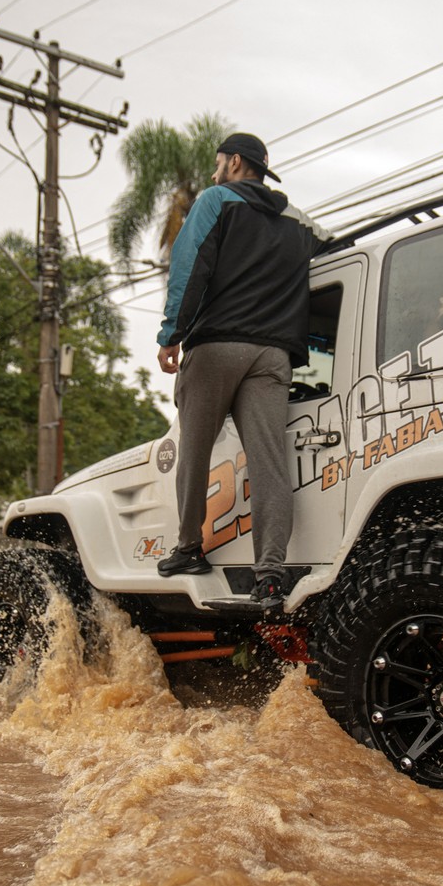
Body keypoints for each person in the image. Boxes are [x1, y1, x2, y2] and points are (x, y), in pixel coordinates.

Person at [154, 132, 331, 609]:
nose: (214, 173)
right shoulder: (299, 221)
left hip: (217, 347)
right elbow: (334, 248)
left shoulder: (216, 200)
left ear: (234, 163)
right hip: (273, 355)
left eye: (218, 164)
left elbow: (189, 268)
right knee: (270, 461)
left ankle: (189, 549)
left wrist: (171, 332)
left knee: (193, 450)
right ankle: (270, 573)